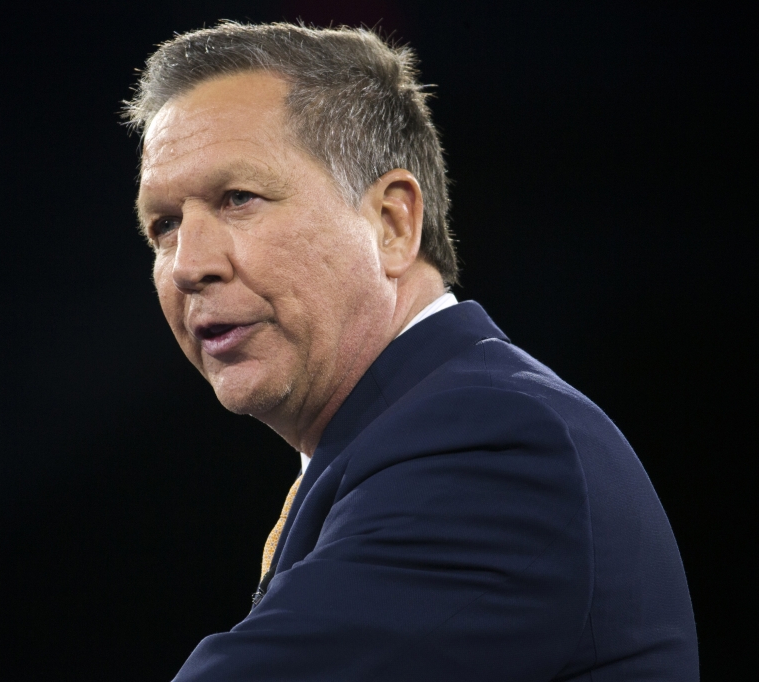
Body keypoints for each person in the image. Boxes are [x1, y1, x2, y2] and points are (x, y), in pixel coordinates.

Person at [124, 22, 698, 681]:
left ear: (393, 224)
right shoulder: (395, 445)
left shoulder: (493, 448)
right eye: (163, 224)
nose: (187, 265)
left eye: (238, 199)